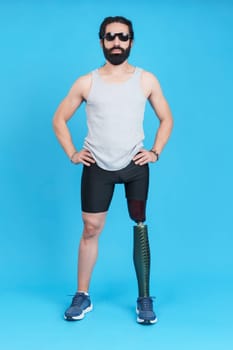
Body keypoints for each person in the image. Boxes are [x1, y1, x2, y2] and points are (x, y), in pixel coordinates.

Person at [53, 16, 173, 325]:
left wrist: (155, 152)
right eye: (110, 37)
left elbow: (166, 118)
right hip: (98, 167)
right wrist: (72, 153)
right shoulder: (86, 82)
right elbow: (59, 119)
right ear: (101, 41)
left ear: (131, 41)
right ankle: (82, 296)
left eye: (122, 37)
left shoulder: (146, 80)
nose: (116, 42)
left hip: (134, 166)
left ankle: (144, 299)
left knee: (140, 226)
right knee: (91, 228)